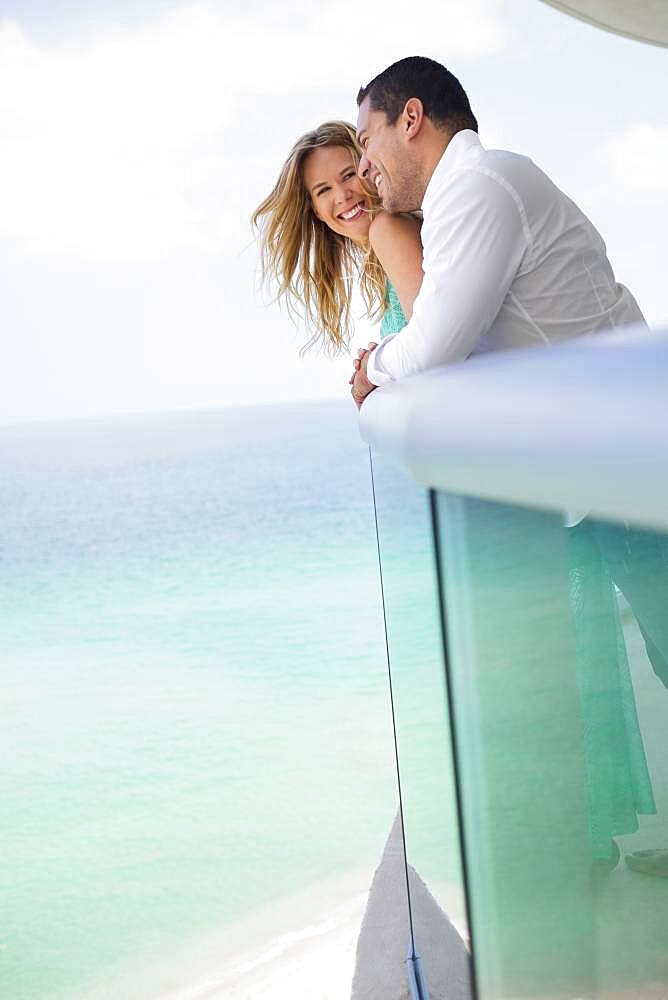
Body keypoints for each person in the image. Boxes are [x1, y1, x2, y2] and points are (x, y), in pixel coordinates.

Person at [348, 56, 646, 407]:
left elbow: (432, 349)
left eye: (367, 141)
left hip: (624, 418)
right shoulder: (476, 183)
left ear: (411, 119)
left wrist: (371, 368)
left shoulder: (474, 186)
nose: (363, 166)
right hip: (612, 409)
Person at [251, 120, 423, 359]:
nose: (343, 195)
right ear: (316, 211)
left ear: (369, 168)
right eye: (324, 190)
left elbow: (429, 342)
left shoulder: (387, 228)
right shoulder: (384, 246)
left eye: (349, 175)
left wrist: (374, 366)